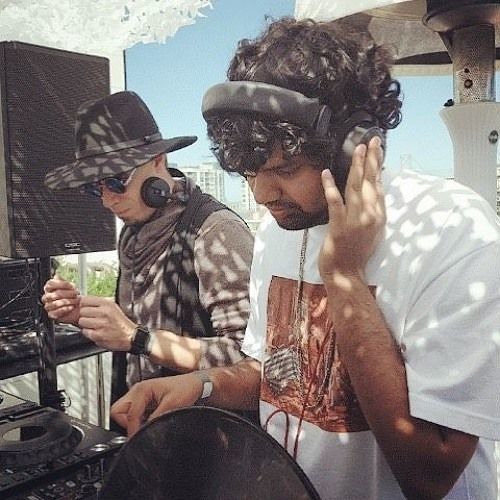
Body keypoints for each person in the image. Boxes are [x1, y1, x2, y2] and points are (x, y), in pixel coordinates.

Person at [110, 18, 500, 500]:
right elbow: (273, 373)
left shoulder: (452, 230)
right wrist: (200, 386)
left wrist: (345, 277)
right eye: (250, 173)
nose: (262, 194)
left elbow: (430, 474)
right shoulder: (278, 227)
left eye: (286, 169)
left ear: (354, 147)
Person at [41, 90, 254, 407]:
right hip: (144, 422)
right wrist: (82, 314)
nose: (107, 200)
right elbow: (134, 322)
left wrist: (138, 338)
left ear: (158, 160)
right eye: (94, 187)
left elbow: (247, 359)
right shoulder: (132, 233)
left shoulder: (215, 232)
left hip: (202, 430)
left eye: (116, 181)